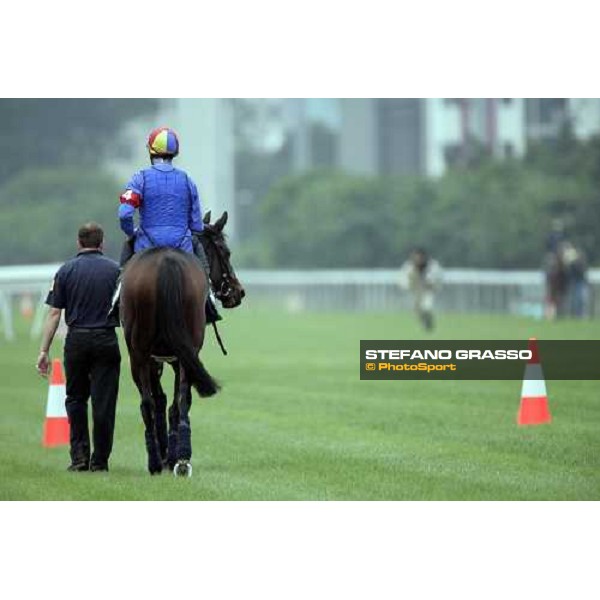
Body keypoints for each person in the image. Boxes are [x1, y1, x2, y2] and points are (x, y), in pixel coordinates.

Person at [111, 126, 220, 322]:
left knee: (127, 248)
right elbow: (196, 225)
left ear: (151, 151)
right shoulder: (188, 181)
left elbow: (125, 214)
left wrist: (131, 233)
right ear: (175, 152)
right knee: (198, 249)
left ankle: (117, 296)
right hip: (183, 246)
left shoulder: (140, 178)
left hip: (146, 245)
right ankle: (209, 299)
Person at [36, 223, 121, 472]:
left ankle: (79, 457)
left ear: (78, 243)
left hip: (77, 341)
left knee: (75, 399)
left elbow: (54, 314)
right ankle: (100, 461)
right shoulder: (116, 271)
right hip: (106, 339)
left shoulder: (65, 271)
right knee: (104, 403)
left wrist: (44, 351)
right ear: (102, 243)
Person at [399, 248, 442, 331]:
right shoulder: (408, 267)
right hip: (415, 291)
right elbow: (403, 282)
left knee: (427, 307)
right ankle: (425, 322)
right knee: (417, 309)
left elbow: (435, 282)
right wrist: (411, 285)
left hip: (429, 291)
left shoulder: (433, 266)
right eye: (416, 257)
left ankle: (428, 322)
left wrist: (427, 284)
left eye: (420, 257)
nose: (418, 260)